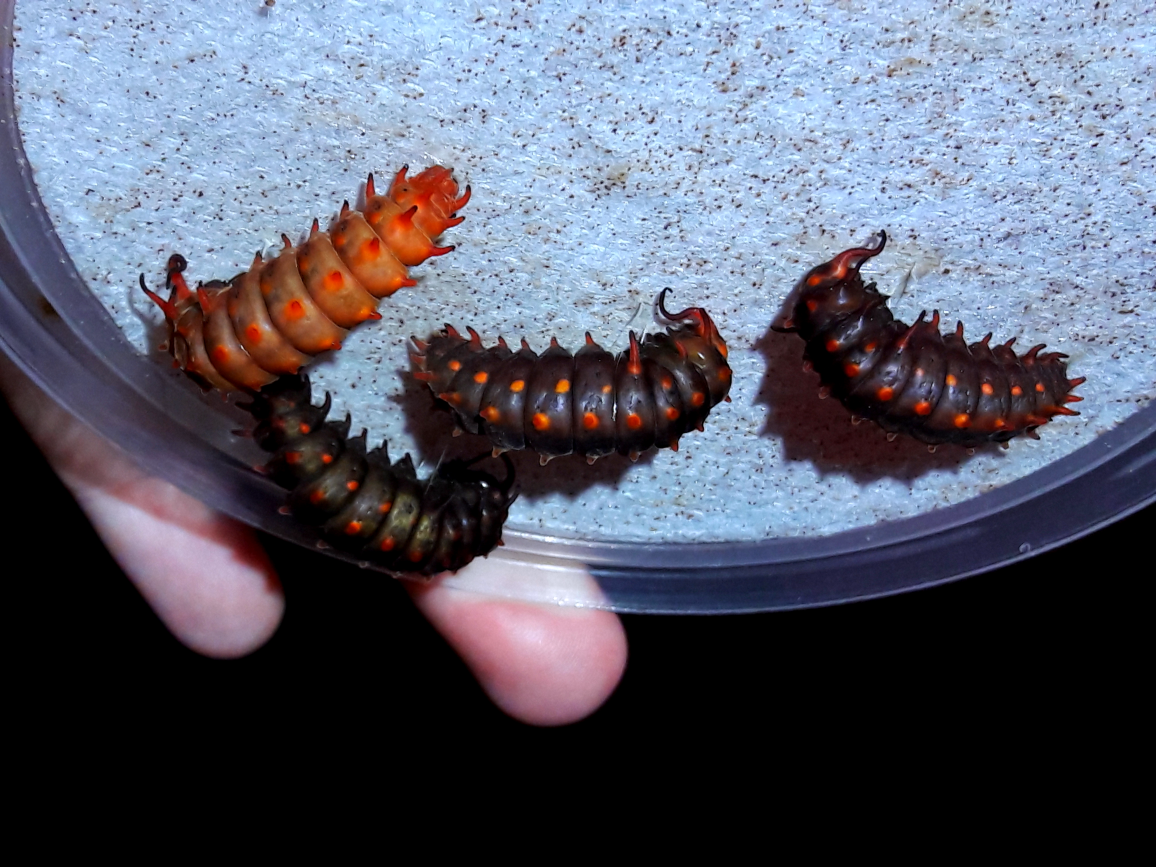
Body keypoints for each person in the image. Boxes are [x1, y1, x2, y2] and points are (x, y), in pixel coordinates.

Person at [0, 356, 627, 726]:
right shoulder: (434, 527)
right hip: (340, 482)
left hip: (340, 478)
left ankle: (276, 400)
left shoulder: (432, 522)